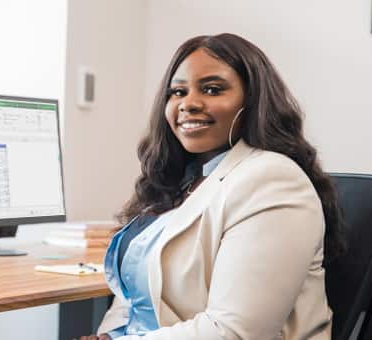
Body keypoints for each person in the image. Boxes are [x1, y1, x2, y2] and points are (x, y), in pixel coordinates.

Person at [79, 33, 345, 340]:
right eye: (178, 92)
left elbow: (233, 332)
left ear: (253, 101)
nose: (188, 103)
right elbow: (135, 297)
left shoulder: (273, 179)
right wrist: (110, 336)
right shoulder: (184, 180)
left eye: (212, 89)